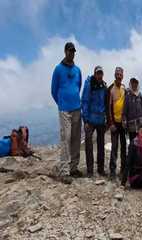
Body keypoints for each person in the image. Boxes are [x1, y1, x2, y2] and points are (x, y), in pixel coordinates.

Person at [51, 42, 82, 184]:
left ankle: (73, 168)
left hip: (77, 108)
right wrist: (62, 103)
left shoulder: (77, 70)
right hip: (64, 109)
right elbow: (53, 90)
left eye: (73, 51)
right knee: (66, 138)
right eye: (69, 51)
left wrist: (73, 98)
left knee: (76, 138)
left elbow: (78, 86)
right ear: (65, 51)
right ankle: (64, 171)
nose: (71, 53)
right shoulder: (58, 69)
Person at [81, 66, 108, 178]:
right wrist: (86, 120)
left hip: (101, 119)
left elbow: (106, 103)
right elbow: (85, 102)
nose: (99, 75)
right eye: (98, 73)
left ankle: (101, 169)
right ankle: (90, 170)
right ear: (94, 74)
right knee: (89, 145)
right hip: (90, 120)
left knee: (101, 145)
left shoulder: (104, 86)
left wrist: (106, 118)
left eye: (101, 73)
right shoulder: (89, 84)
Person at [107, 67, 127, 180]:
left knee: (123, 147)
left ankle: (123, 169)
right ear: (115, 75)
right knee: (114, 147)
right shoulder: (111, 89)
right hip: (115, 122)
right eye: (117, 74)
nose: (119, 76)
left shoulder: (124, 88)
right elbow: (108, 107)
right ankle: (112, 171)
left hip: (123, 123)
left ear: (123, 75)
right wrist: (111, 123)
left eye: (121, 74)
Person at [123, 77, 142, 142]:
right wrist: (125, 122)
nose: (134, 84)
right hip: (131, 127)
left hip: (140, 125)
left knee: (141, 143)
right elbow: (124, 111)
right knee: (133, 144)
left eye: (136, 83)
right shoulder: (127, 95)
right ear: (130, 84)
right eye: (133, 83)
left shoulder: (139, 95)